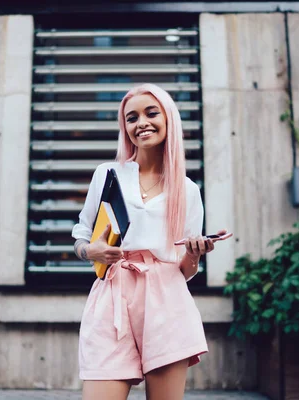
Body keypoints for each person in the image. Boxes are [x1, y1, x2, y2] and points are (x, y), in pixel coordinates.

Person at [72, 83, 232, 400]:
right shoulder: (108, 174)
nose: (141, 122)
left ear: (168, 118)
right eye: (131, 118)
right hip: (113, 297)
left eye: (151, 113)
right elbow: (81, 234)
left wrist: (195, 254)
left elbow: (184, 271)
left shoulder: (187, 190)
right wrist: (92, 250)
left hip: (166, 300)